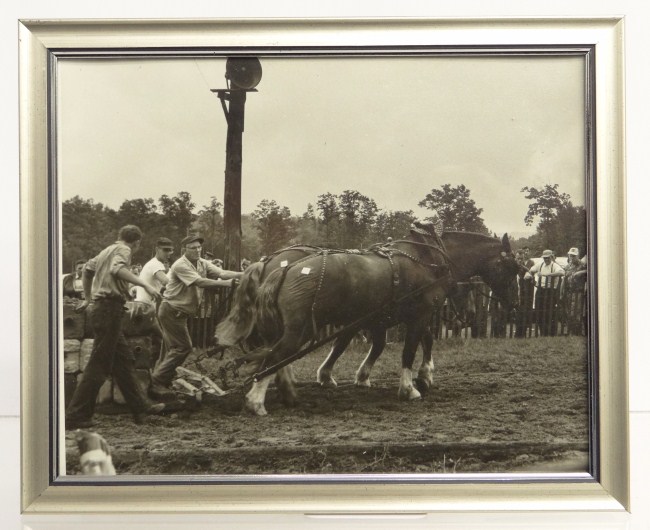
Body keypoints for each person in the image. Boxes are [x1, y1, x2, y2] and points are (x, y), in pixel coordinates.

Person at [65, 225, 166, 430]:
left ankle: (140, 408)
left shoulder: (106, 250)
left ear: (119, 236)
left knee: (123, 361)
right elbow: (117, 270)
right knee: (99, 364)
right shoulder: (124, 250)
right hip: (109, 308)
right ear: (137, 242)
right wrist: (144, 285)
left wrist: (87, 298)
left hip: (103, 309)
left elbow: (86, 270)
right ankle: (76, 415)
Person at [149, 234, 243, 399]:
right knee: (183, 347)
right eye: (193, 248)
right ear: (184, 250)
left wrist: (244, 274)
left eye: (199, 247)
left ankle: (161, 380)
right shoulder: (180, 265)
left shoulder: (201, 262)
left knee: (172, 348)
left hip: (179, 313)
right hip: (171, 311)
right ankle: (157, 381)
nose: (198, 250)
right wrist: (228, 284)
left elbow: (222, 272)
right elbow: (200, 282)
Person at [134, 237, 174, 366]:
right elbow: (166, 282)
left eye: (171, 251)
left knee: (156, 341)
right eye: (165, 250)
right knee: (162, 340)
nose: (168, 253)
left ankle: (152, 369)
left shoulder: (154, 264)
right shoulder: (156, 264)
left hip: (145, 307)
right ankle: (156, 370)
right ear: (157, 249)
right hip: (144, 308)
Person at [525, 249, 565, 336]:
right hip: (540, 290)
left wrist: (549, 275)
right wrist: (529, 275)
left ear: (551, 257)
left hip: (551, 291)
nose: (546, 260)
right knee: (539, 311)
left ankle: (550, 333)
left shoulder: (554, 265)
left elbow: (562, 272)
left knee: (549, 313)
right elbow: (531, 270)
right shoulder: (541, 264)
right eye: (544, 258)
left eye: (547, 258)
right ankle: (543, 333)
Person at [562, 247, 588, 335]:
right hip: (569, 291)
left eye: (574, 256)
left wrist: (580, 272)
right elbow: (564, 276)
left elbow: (590, 271)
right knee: (569, 312)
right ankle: (571, 332)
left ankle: (578, 332)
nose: (572, 258)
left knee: (577, 312)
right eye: (571, 256)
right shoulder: (568, 266)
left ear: (578, 256)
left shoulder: (583, 264)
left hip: (578, 291)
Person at [514, 250, 534, 338]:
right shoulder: (511, 267)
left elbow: (532, 279)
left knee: (522, 314)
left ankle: (521, 334)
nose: (520, 260)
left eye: (521, 259)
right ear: (515, 258)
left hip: (522, 295)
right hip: (513, 293)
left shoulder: (525, 269)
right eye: (518, 258)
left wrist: (530, 276)